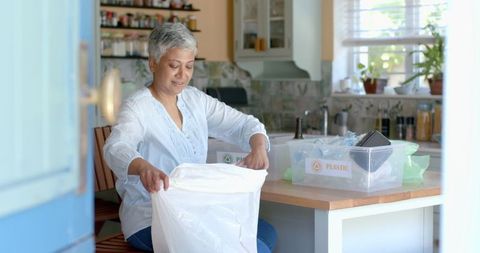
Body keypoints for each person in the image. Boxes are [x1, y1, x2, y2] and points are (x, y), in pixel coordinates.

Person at [103, 22, 277, 253]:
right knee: (249, 246)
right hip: (150, 219)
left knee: (265, 232)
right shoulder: (138, 107)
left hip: (195, 212)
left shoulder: (195, 100)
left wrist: (258, 146)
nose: (182, 75)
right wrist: (142, 167)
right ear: (153, 63)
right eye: (174, 65)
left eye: (189, 66)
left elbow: (245, 124)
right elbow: (116, 147)